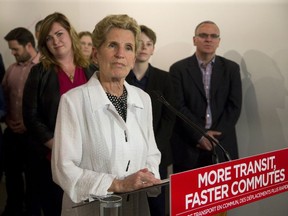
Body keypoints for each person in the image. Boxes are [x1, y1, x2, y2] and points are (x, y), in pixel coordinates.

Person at [51, 14, 162, 216]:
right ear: (95, 54)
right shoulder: (73, 101)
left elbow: (152, 153)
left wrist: (148, 176)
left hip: (135, 207)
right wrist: (118, 184)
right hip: (91, 209)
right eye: (112, 45)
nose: (121, 54)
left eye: (128, 47)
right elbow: (63, 169)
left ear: (134, 56)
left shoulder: (143, 98)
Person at [22, 12, 95, 216]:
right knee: (55, 207)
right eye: (49, 38)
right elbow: (30, 115)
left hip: (89, 158)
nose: (55, 40)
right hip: (51, 157)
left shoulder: (92, 70)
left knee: (86, 208)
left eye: (59, 34)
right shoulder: (39, 72)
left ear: (70, 34)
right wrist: (56, 144)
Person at [169, 20, 242, 173]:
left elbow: (234, 107)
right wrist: (200, 135)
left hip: (222, 145)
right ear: (194, 40)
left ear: (219, 41)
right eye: (203, 35)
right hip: (189, 146)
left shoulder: (231, 69)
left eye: (213, 36)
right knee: (188, 195)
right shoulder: (178, 69)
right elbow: (178, 107)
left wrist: (214, 137)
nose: (208, 39)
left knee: (223, 195)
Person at [125, 24, 175, 216]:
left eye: (149, 43)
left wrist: (153, 148)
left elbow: (169, 118)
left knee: (157, 204)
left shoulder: (165, 78)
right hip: (127, 153)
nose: (144, 47)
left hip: (157, 153)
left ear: (153, 48)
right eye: (140, 43)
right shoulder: (121, 76)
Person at [2, 27, 40, 216]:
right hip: (12, 133)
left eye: (15, 49)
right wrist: (8, 120)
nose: (12, 53)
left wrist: (28, 124)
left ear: (28, 45)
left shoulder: (44, 68)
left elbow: (46, 105)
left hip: (33, 136)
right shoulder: (11, 69)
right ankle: (13, 209)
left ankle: (31, 211)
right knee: (11, 175)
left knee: (33, 178)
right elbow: (4, 98)